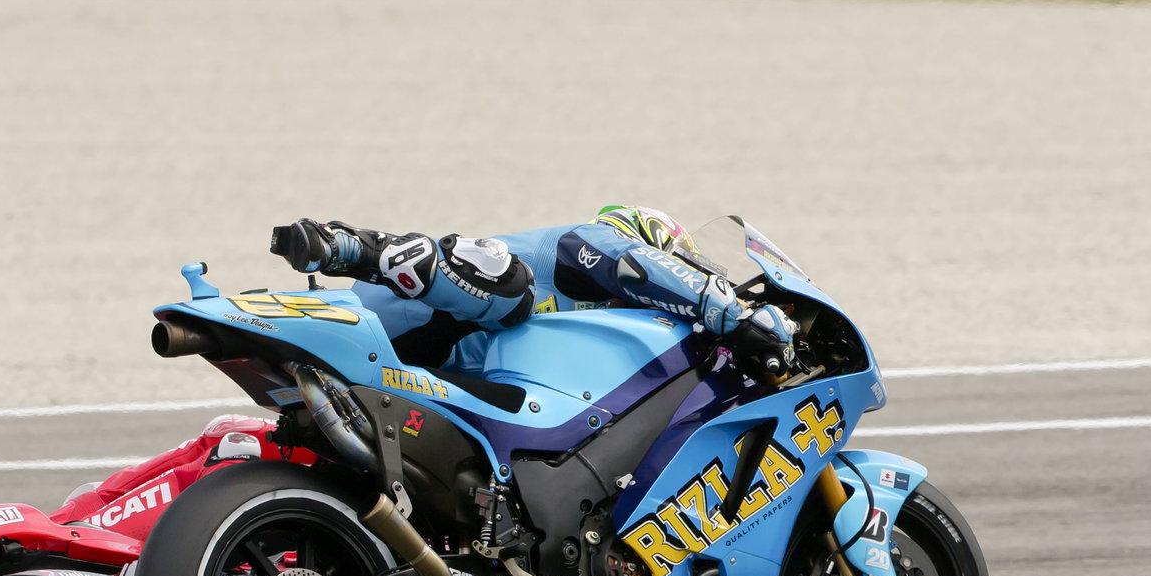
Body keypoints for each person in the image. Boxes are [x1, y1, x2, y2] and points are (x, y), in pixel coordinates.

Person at [268, 206, 799, 375]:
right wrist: (733, 311)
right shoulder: (596, 242)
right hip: (378, 321)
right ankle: (351, 247)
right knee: (510, 287)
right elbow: (636, 268)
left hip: (419, 374)